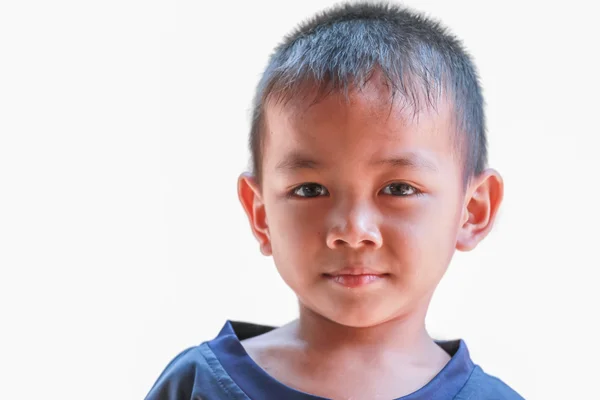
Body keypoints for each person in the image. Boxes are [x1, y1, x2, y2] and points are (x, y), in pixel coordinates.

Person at [145, 2, 524, 399]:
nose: (352, 230)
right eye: (310, 190)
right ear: (261, 216)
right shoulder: (196, 387)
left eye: (398, 188)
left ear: (473, 210)